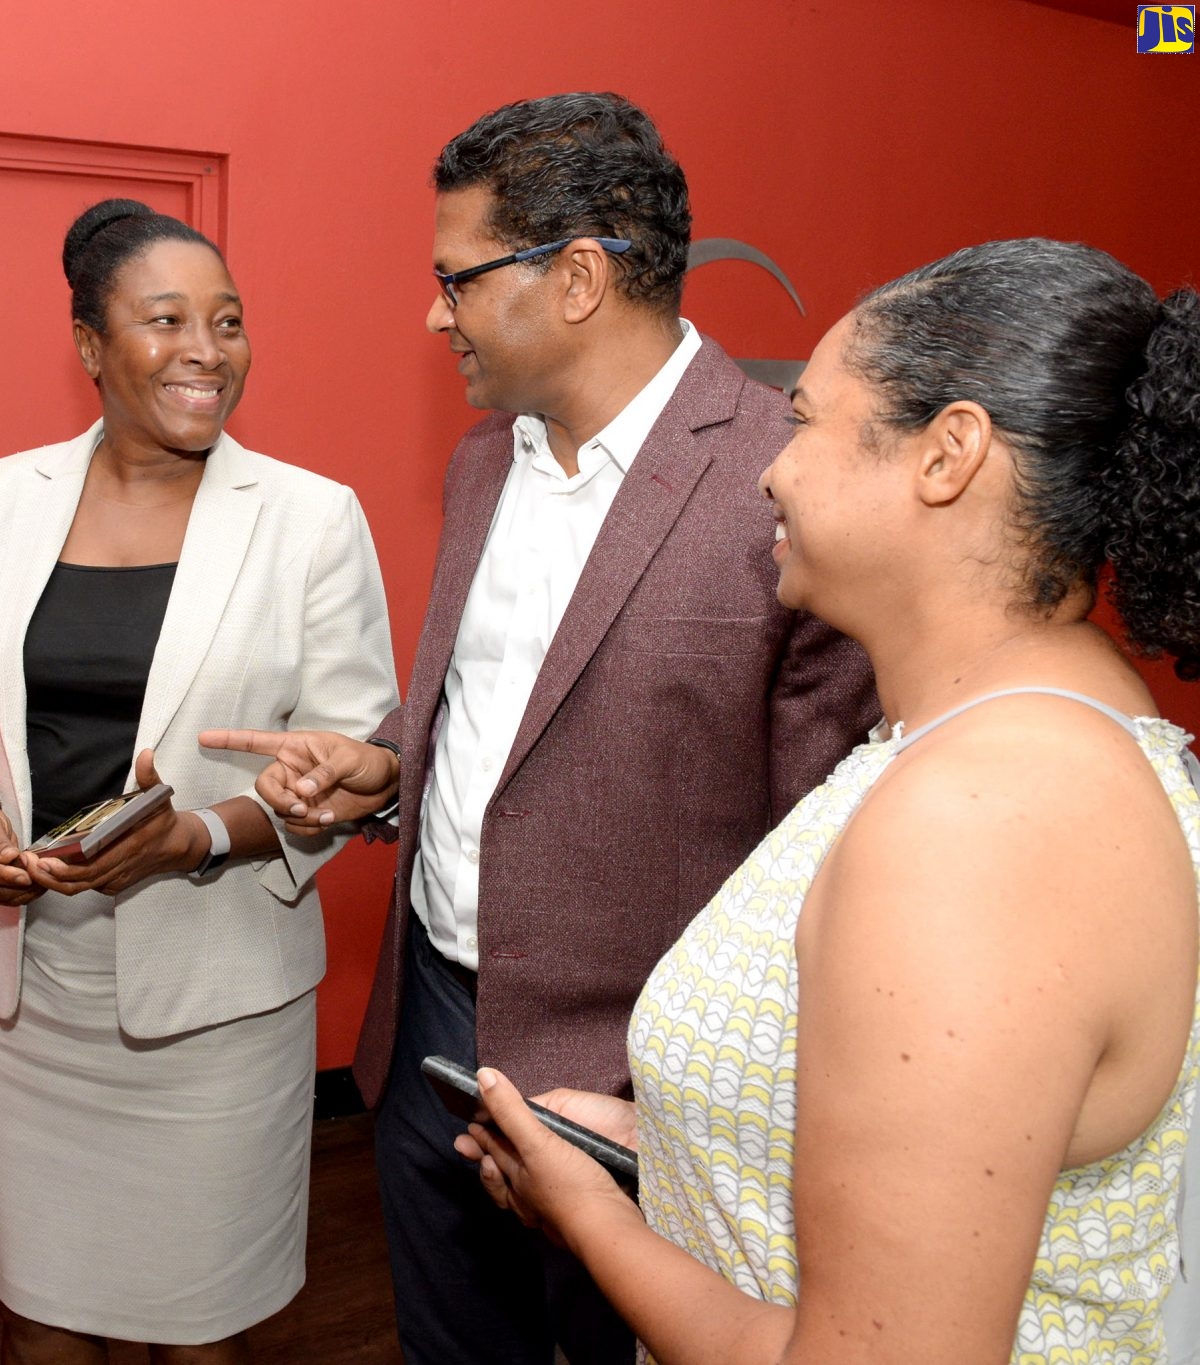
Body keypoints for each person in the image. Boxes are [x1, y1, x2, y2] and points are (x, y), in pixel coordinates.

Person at [202, 94, 876, 1364]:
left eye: (452, 278)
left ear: (576, 278)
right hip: (426, 1043)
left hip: (632, 1092)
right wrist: (386, 763)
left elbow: (820, 850)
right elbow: (496, 711)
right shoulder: (481, 463)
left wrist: (684, 1107)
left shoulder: (777, 483)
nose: (431, 312)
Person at [459, 237, 1200, 1364]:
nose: (772, 467)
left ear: (946, 453)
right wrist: (675, 1146)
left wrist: (587, 1213)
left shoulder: (979, 822)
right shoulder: (985, 735)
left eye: (803, 420)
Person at [0, 198, 397, 1363]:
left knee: (199, 1329)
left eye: (226, 322)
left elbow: (349, 750)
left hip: (214, 996)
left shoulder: (309, 518)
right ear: (88, 345)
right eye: (165, 319)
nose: (205, 351)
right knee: (41, 1317)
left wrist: (204, 837)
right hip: (31, 991)